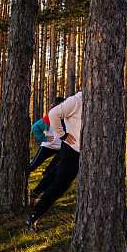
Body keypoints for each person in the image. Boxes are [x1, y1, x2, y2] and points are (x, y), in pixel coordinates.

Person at [26, 91, 82, 231]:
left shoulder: (95, 101)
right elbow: (53, 114)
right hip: (71, 150)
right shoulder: (75, 100)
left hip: (79, 151)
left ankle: (34, 194)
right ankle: (34, 216)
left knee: (54, 174)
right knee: (60, 184)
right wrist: (62, 135)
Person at [28, 96, 65, 174]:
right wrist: (44, 138)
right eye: (60, 105)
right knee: (33, 166)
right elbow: (35, 127)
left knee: (52, 170)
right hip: (48, 146)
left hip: (61, 149)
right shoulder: (50, 117)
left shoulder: (67, 118)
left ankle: (45, 177)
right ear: (56, 105)